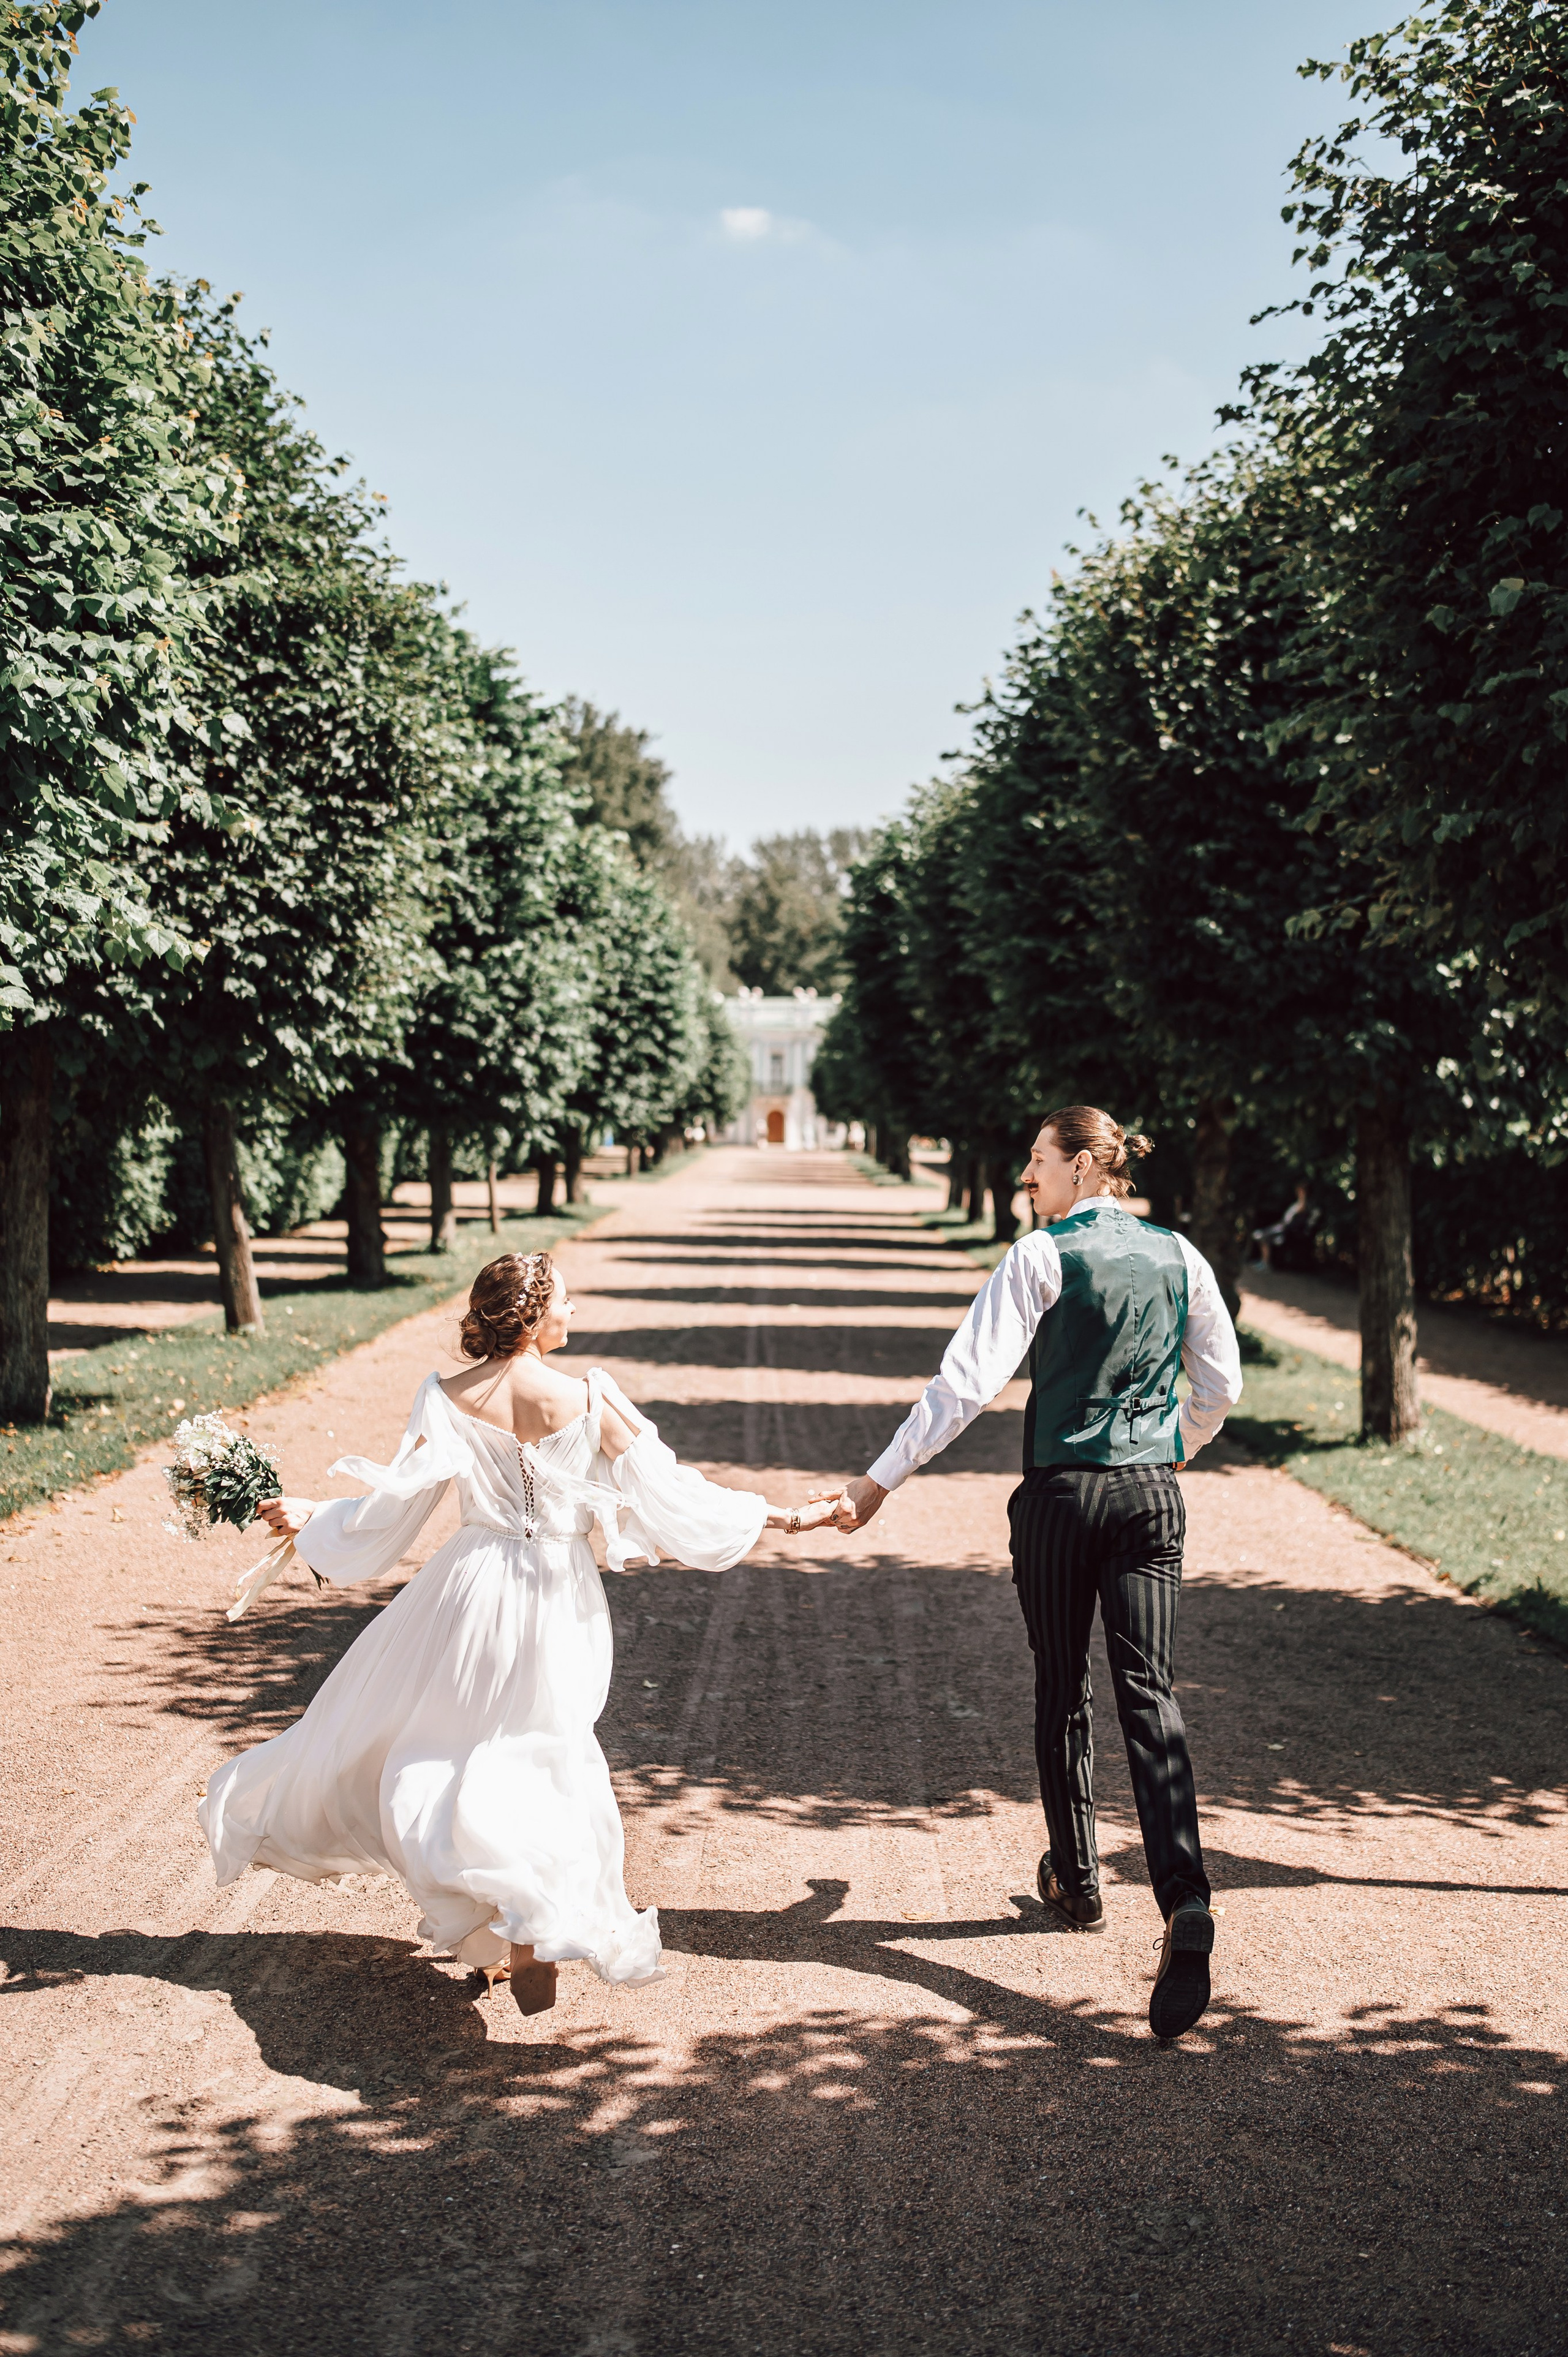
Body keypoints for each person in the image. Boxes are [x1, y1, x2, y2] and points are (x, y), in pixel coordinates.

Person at [200, 1250, 836, 2016]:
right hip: (556, 1594)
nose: (573, 1313)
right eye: (565, 1301)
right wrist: (783, 1514)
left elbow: (391, 1514)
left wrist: (312, 1520)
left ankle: (496, 1922)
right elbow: (675, 1494)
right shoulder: (590, 1397)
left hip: (468, 1589)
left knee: (448, 1750)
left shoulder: (444, 1396)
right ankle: (528, 1926)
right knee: (545, 1752)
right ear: (533, 1315)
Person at [829, 1106, 1242, 2040]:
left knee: (1064, 1685)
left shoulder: (1040, 1256)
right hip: (1148, 1493)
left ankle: (1081, 1878)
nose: (1027, 1177)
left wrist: (880, 1480)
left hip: (1062, 1496)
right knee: (1152, 1693)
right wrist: (1174, 1444)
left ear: (1086, 1167)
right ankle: (1184, 1899)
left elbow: (965, 1385)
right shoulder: (1183, 1254)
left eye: (1038, 1162)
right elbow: (1220, 1385)